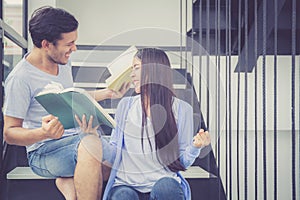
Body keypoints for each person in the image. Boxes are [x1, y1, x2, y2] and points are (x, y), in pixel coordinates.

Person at [3, 6, 128, 200]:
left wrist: (108, 93)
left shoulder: (62, 61)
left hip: (74, 139)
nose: (74, 49)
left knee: (121, 160)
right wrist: (42, 133)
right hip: (43, 152)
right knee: (91, 145)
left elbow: (71, 96)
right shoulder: (20, 79)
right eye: (69, 44)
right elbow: (10, 133)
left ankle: (68, 185)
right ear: (46, 44)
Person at [98, 48, 211, 200]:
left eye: (136, 68)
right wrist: (95, 138)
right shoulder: (126, 106)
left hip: (162, 185)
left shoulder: (182, 110)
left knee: (167, 186)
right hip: (126, 185)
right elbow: (114, 153)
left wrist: (195, 147)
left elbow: (182, 163)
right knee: (123, 195)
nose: (132, 75)